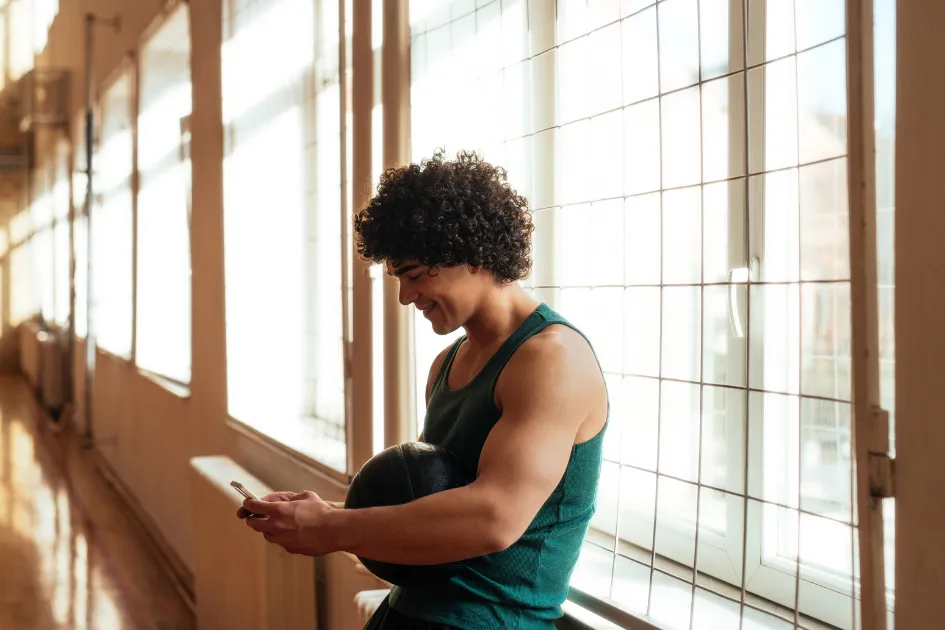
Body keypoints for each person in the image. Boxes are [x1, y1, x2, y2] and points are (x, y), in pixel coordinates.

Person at [237, 150, 608, 629]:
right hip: (405, 612)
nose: (405, 296)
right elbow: (434, 503)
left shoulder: (551, 360)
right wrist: (324, 512)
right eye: (398, 278)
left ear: (473, 253)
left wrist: (331, 528)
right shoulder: (447, 363)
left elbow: (493, 518)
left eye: (414, 275)